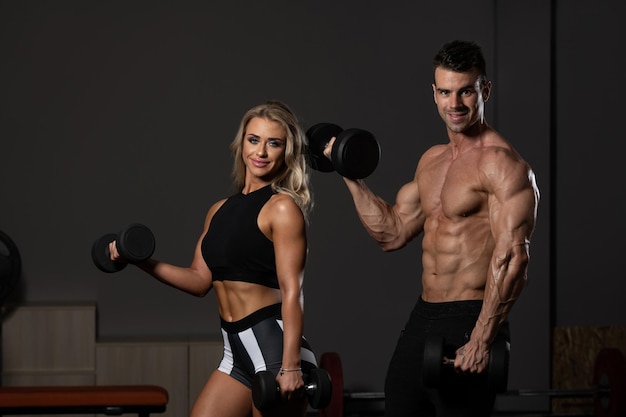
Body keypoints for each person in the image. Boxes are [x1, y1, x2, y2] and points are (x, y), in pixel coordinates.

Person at [324, 40, 540, 416]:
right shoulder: (431, 162)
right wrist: (349, 173)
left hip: (475, 314)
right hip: (425, 314)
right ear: (434, 93)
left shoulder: (503, 165)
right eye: (445, 92)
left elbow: (513, 258)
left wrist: (481, 338)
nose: (454, 104)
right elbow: (391, 233)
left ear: (484, 90)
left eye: (465, 92)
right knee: (400, 400)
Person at [109, 100, 319, 417]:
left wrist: (290, 366)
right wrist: (139, 260)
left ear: (285, 152)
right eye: (254, 139)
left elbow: (293, 292)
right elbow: (198, 280)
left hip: (276, 350)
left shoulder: (282, 208)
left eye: (273, 143)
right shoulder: (218, 210)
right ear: (242, 144)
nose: (261, 152)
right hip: (235, 350)